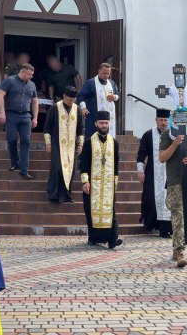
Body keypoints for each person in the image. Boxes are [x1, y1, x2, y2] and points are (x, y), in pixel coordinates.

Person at [159, 108, 187, 268]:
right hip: (175, 181)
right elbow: (162, 157)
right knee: (178, 217)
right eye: (182, 116)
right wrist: (174, 144)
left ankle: (176, 247)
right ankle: (180, 251)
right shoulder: (168, 134)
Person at [80, 111, 122, 248]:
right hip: (93, 185)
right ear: (96, 124)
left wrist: (115, 180)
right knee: (91, 211)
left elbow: (116, 164)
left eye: (106, 123)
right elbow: (84, 164)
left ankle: (112, 239)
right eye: (102, 123)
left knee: (110, 211)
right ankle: (93, 237)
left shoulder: (114, 143)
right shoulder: (88, 143)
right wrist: (85, 181)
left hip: (109, 184)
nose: (104, 126)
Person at [0, 63, 39, 180]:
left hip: (26, 116)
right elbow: (0, 95)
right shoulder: (9, 81)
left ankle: (24, 169)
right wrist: (2, 112)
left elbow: (35, 102)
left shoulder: (32, 85)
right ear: (23, 72)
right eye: (30, 74)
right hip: (11, 115)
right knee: (12, 139)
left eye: (32, 75)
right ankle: (14, 162)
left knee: (25, 141)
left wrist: (35, 117)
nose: (31, 76)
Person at [43, 86, 84, 203]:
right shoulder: (55, 108)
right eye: (69, 99)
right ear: (64, 96)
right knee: (57, 167)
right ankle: (54, 195)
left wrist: (80, 144)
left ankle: (66, 195)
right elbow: (47, 127)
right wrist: (48, 143)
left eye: (73, 99)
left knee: (70, 169)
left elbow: (81, 129)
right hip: (57, 143)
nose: (71, 101)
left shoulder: (77, 110)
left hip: (71, 145)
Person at [137, 108, 173, 238]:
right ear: (156, 120)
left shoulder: (172, 134)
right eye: (161, 120)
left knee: (168, 199)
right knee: (151, 198)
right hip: (152, 172)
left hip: (169, 172)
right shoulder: (148, 135)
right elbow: (141, 153)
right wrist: (140, 171)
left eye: (165, 120)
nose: (163, 123)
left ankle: (165, 229)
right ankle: (152, 224)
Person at [78, 63, 119, 139]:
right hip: (94, 115)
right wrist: (83, 107)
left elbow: (117, 95)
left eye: (108, 73)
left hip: (109, 116)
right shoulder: (91, 83)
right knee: (93, 138)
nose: (106, 75)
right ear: (99, 71)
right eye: (104, 73)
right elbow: (81, 96)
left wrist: (114, 97)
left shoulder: (112, 83)